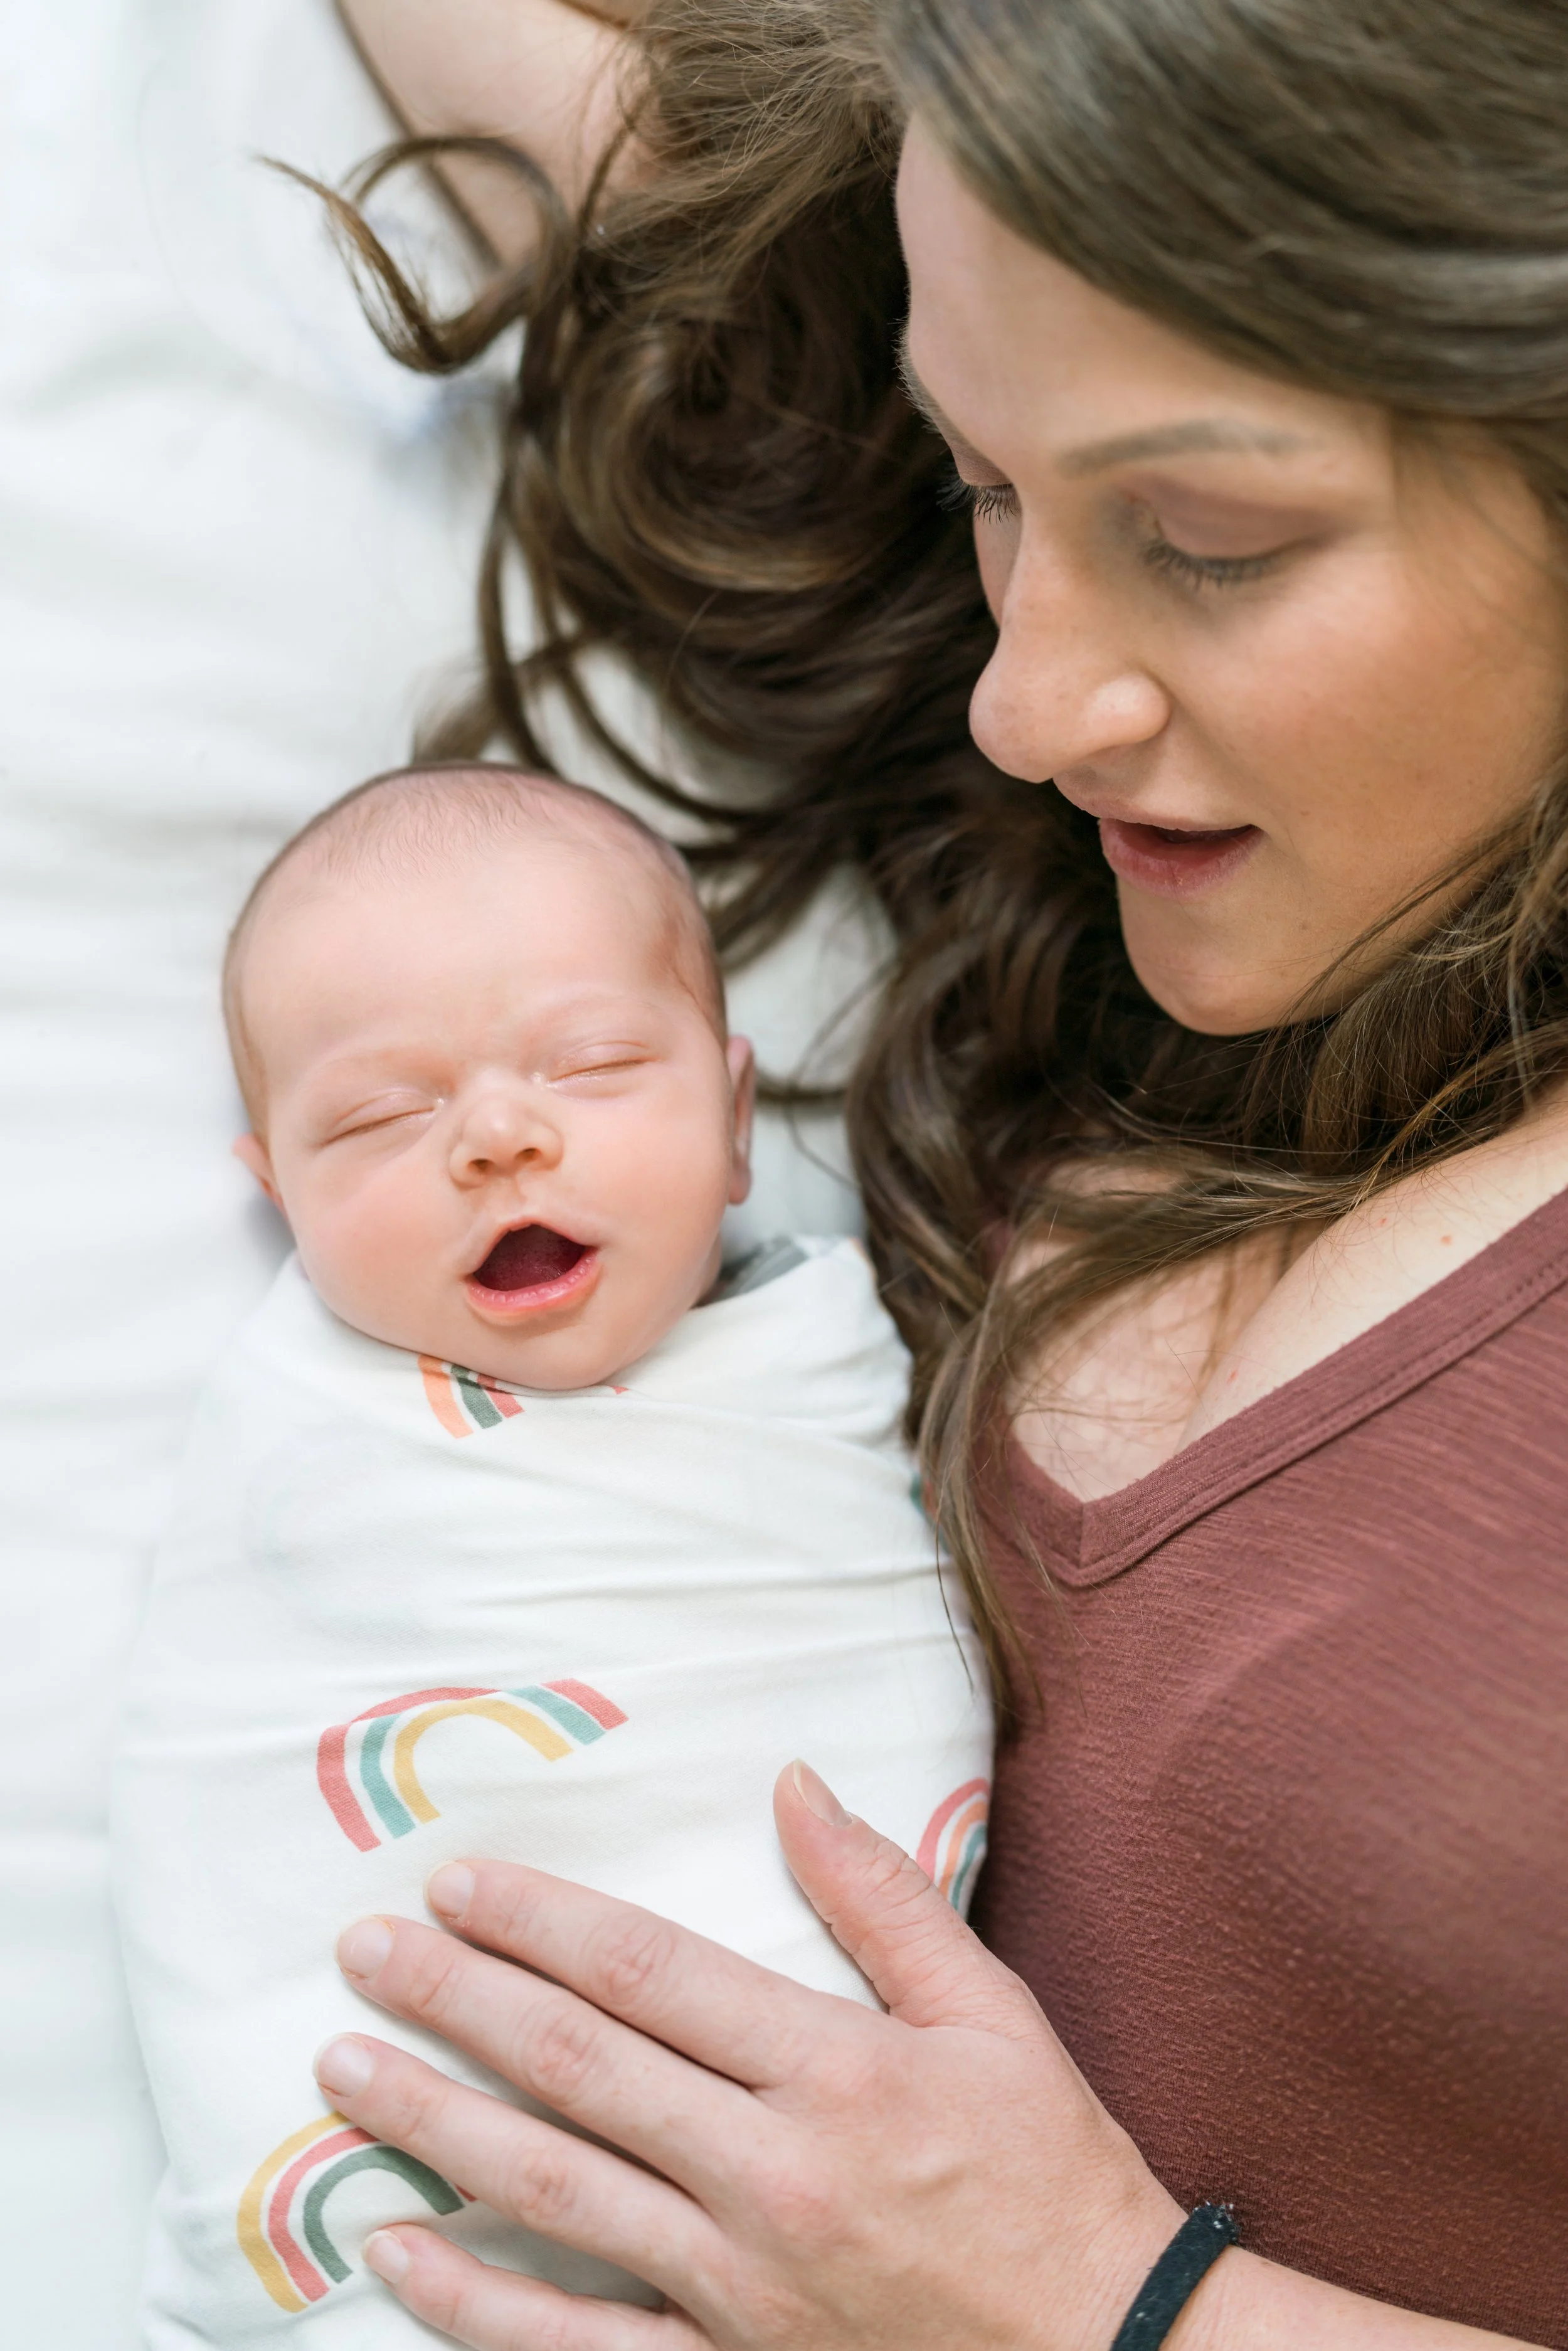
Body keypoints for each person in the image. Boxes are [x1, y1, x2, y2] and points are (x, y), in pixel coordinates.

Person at [273, 0, 1568, 2343]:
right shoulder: (1114, 858)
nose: (1026, 694)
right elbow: (598, 135)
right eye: (983, 481)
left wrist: (1101, 2303)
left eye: (1207, 541)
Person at [112, 762, 988, 2345]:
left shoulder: (817, 1355)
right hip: (396, 2215)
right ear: (278, 1190)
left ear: (735, 1121)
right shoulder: (300, 1424)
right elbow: (225, 1780)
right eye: (382, 1115)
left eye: (589, 1064)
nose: (500, 1135)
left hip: (842, 2200)